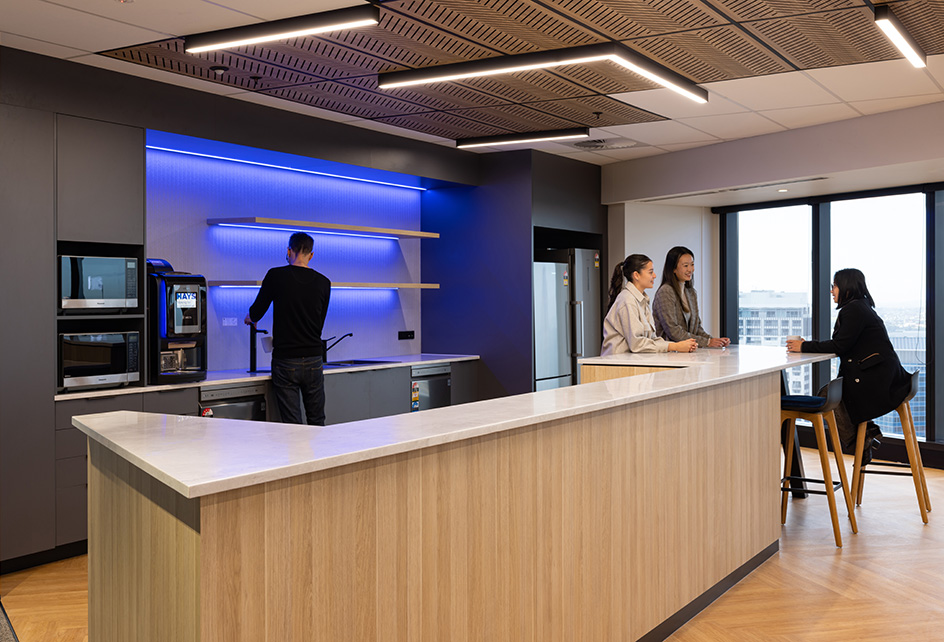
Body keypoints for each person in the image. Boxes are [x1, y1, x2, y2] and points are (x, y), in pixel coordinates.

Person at [786, 268, 911, 462]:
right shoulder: (862, 306)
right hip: (887, 376)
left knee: (829, 395)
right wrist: (806, 345)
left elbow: (840, 345)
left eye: (834, 286)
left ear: (846, 287)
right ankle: (865, 435)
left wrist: (804, 346)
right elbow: (845, 343)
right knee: (831, 393)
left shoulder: (853, 309)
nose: (831, 291)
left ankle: (860, 440)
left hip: (877, 380)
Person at [245, 232, 332, 426]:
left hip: (286, 360)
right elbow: (320, 321)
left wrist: (251, 317)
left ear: (288, 250)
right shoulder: (324, 282)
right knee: (317, 419)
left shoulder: (276, 276)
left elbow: (258, 308)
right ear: (311, 255)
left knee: (293, 425)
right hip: (313, 359)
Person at [602, 254, 698, 355]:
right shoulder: (627, 300)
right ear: (636, 275)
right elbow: (637, 344)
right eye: (650, 272)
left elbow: (652, 339)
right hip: (617, 364)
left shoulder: (642, 300)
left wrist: (678, 346)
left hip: (632, 361)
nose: (655, 276)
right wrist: (674, 346)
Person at [652, 246, 730, 349]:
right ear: (674, 269)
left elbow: (696, 328)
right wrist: (706, 342)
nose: (690, 269)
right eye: (685, 266)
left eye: (692, 265)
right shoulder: (666, 291)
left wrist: (713, 341)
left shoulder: (691, 292)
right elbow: (673, 331)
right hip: (669, 354)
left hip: (687, 353)